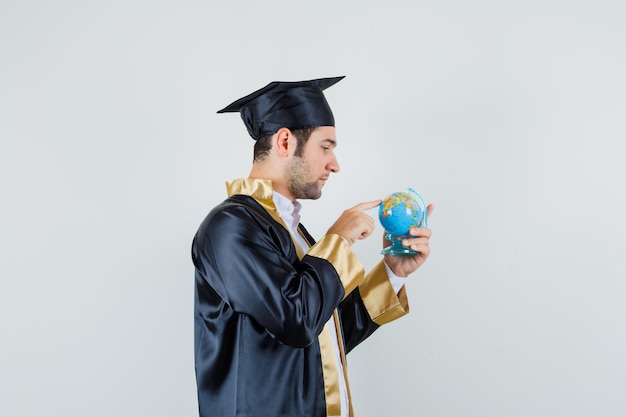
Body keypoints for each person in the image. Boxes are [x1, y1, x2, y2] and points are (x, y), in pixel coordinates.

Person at [192, 76, 433, 417]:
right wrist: (339, 238)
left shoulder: (292, 231)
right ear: (286, 141)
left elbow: (323, 338)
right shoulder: (230, 227)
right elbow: (296, 320)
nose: (335, 164)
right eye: (325, 147)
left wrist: (392, 272)